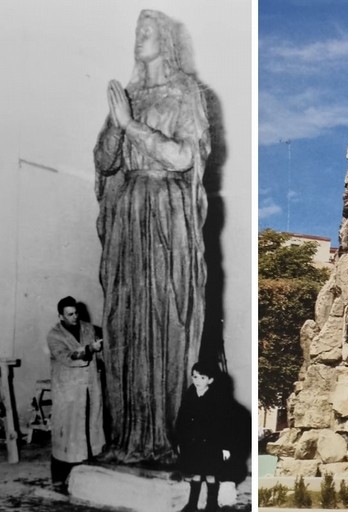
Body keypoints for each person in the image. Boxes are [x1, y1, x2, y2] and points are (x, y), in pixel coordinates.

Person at [93, 9, 210, 463]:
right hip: (128, 213)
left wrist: (129, 126)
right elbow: (105, 163)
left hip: (165, 212)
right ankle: (125, 436)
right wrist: (114, 124)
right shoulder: (130, 94)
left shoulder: (187, 93)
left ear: (164, 40)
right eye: (135, 32)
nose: (138, 39)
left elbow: (183, 157)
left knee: (164, 317)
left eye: (147, 32)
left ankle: (164, 437)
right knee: (125, 319)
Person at [46, 296, 105, 492]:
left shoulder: (89, 328)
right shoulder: (54, 335)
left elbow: (102, 353)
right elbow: (66, 356)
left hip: (89, 387)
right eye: (69, 314)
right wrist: (89, 349)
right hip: (69, 391)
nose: (74, 317)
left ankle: (87, 473)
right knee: (66, 433)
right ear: (60, 316)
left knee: (90, 429)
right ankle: (59, 478)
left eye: (76, 312)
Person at [174, 361, 231, 512]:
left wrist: (225, 447)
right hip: (193, 444)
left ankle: (211, 505)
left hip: (212, 444)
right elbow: (181, 420)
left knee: (211, 474)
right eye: (195, 377)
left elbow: (224, 425)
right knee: (196, 474)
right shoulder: (189, 395)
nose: (197, 381)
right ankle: (192, 504)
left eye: (202, 378)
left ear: (210, 380)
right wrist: (180, 441)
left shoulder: (217, 398)